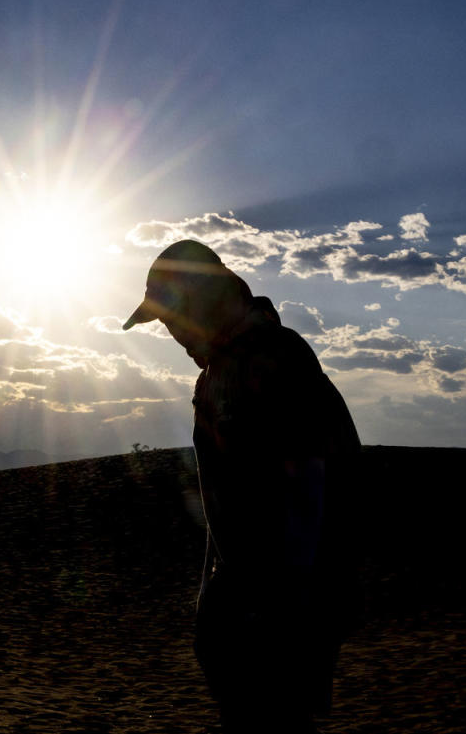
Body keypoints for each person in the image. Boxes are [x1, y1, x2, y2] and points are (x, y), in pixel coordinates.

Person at [122, 239, 362, 734]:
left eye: (173, 318)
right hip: (256, 620)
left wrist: (270, 615)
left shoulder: (269, 360)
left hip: (275, 624)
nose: (171, 334)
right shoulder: (226, 367)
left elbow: (306, 499)